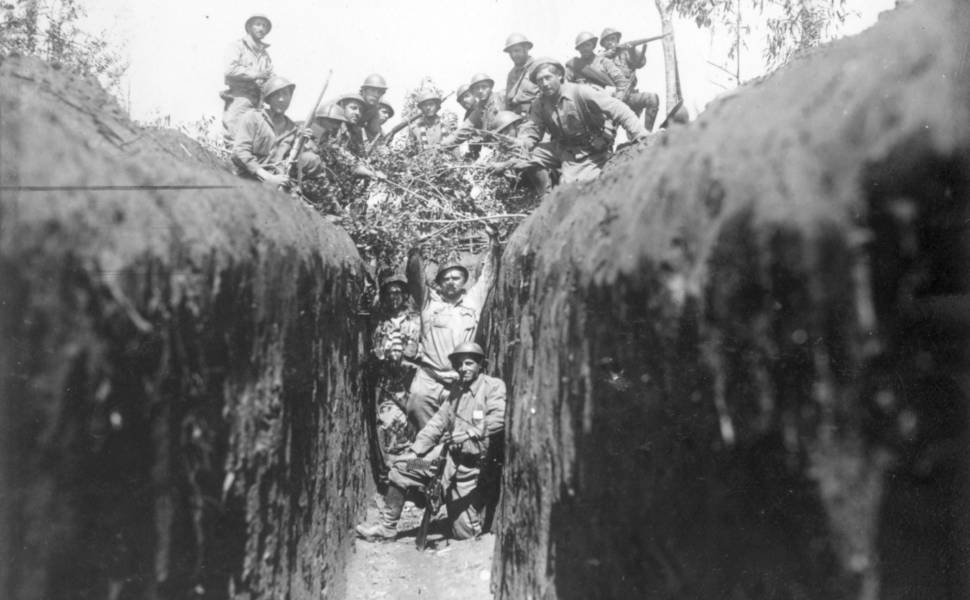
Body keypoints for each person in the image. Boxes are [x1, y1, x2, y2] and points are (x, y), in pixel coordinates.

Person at [355, 342, 506, 541]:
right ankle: (387, 527)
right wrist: (416, 452)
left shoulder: (493, 387)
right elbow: (436, 424)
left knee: (464, 533)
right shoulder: (456, 391)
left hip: (471, 472)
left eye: (469, 363)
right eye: (459, 365)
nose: (463, 368)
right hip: (443, 463)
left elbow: (498, 419)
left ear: (481, 364)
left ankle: (453, 508)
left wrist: (470, 433)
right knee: (402, 467)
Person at [405, 224, 500, 430]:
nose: (450, 282)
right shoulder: (429, 303)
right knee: (420, 428)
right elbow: (414, 279)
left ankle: (450, 462)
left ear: (464, 281)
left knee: (462, 433)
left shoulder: (474, 301)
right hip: (429, 380)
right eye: (445, 278)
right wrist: (415, 250)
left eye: (456, 278)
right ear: (438, 283)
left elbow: (488, 276)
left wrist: (494, 242)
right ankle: (419, 464)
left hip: (461, 381)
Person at [516, 58, 648, 188]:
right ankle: (543, 197)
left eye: (548, 77)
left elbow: (618, 109)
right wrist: (522, 143)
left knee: (569, 187)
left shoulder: (581, 92)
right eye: (539, 80)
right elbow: (531, 129)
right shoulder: (540, 103)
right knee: (523, 158)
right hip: (561, 147)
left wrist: (639, 133)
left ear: (560, 75)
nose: (544, 84)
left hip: (588, 151)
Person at [369, 274, 422, 482]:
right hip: (389, 387)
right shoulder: (379, 323)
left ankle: (419, 477)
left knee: (418, 434)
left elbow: (423, 348)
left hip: (414, 385)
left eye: (398, 292)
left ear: (405, 294)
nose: (393, 297)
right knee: (392, 432)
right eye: (389, 293)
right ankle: (398, 482)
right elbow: (376, 351)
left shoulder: (417, 320)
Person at [230, 75, 297, 187]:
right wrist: (267, 176)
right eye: (277, 95)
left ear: (290, 97)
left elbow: (293, 160)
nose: (281, 99)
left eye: (286, 94)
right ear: (269, 98)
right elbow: (239, 152)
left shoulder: (293, 128)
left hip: (276, 184)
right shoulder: (253, 118)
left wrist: (304, 140)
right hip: (247, 179)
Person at [221, 14, 274, 141]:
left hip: (258, 102)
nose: (261, 28)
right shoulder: (237, 46)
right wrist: (256, 74)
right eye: (258, 24)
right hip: (240, 97)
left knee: (254, 139)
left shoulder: (265, 55)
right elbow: (230, 69)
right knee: (234, 135)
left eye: (264, 26)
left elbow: (269, 76)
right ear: (249, 27)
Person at [599, 27, 660, 130]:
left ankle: (647, 135)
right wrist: (606, 56)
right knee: (608, 132)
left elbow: (640, 63)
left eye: (613, 39)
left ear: (617, 40)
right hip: (610, 100)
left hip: (629, 97)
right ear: (603, 43)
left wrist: (631, 50)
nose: (610, 42)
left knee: (652, 99)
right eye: (607, 40)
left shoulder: (625, 53)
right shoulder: (600, 57)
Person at [440, 73, 504, 153]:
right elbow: (461, 132)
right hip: (493, 150)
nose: (480, 91)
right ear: (473, 92)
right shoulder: (477, 112)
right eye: (477, 88)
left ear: (490, 87)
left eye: (484, 87)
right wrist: (441, 146)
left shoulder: (502, 97)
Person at [502, 33, 539, 115]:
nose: (513, 55)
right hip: (516, 117)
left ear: (526, 49)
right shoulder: (511, 74)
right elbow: (508, 102)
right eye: (510, 53)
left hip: (535, 116)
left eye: (517, 50)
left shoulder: (537, 67)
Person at [335, 93, 369, 157]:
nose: (357, 113)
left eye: (361, 110)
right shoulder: (333, 126)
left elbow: (362, 154)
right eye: (353, 108)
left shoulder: (358, 132)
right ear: (342, 107)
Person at [359, 73, 389, 142]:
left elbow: (375, 130)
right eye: (372, 90)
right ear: (364, 91)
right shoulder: (354, 104)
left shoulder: (374, 110)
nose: (376, 95)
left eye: (379, 92)